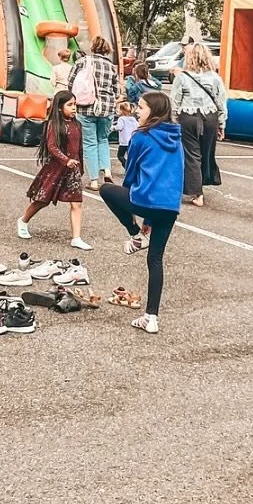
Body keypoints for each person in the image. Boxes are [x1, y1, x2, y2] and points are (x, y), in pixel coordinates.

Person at [99, 91, 183, 335]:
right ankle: (151, 317)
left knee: (106, 190)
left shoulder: (140, 137)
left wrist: (134, 221)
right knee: (155, 259)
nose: (137, 111)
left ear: (153, 111)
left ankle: (135, 234)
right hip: (169, 205)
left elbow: (131, 174)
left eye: (142, 107)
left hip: (144, 199)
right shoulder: (176, 137)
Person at [16, 90, 92, 251]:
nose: (74, 108)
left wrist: (80, 166)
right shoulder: (53, 125)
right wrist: (66, 160)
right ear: (59, 107)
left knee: (76, 203)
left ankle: (76, 238)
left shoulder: (77, 124)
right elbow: (52, 147)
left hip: (73, 170)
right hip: (56, 168)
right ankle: (23, 220)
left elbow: (79, 148)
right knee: (42, 200)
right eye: (70, 105)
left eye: (75, 105)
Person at [170, 42, 227, 207]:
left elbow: (175, 102)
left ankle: (197, 192)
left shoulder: (182, 77)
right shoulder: (215, 77)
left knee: (192, 155)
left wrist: (174, 122)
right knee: (206, 153)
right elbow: (221, 102)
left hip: (188, 117)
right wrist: (221, 124)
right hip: (210, 117)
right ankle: (204, 182)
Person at [67, 36, 119, 191]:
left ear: (93, 47)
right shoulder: (111, 66)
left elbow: (71, 82)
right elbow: (116, 89)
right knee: (103, 139)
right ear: (106, 49)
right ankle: (107, 171)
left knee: (89, 143)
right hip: (107, 108)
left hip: (85, 107)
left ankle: (94, 180)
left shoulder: (82, 62)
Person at [116, 101, 138, 166]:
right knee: (130, 156)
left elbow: (119, 127)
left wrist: (112, 128)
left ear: (122, 110)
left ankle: (126, 166)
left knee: (120, 156)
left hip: (124, 142)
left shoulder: (121, 119)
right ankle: (130, 167)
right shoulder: (133, 119)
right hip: (131, 141)